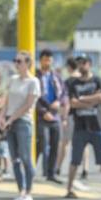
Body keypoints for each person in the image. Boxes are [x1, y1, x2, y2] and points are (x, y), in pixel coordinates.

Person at [65, 56, 101, 200]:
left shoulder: (97, 80)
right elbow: (72, 103)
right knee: (75, 160)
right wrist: (91, 100)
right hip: (80, 127)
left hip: (97, 126)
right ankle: (69, 189)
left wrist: (82, 99)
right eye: (79, 64)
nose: (81, 66)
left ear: (90, 65)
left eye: (83, 63)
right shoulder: (72, 83)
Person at [0, 51, 40, 200]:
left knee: (26, 158)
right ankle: (21, 191)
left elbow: (28, 105)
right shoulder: (14, 79)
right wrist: (2, 117)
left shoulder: (33, 82)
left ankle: (29, 192)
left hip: (23, 122)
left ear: (28, 63)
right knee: (14, 159)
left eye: (20, 61)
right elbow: (8, 100)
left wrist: (10, 119)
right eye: (15, 61)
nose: (17, 64)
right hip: (10, 122)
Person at [35, 49, 69, 184]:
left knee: (55, 144)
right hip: (42, 116)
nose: (47, 63)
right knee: (42, 142)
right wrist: (43, 112)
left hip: (55, 116)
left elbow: (64, 93)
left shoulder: (56, 77)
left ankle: (51, 172)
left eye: (49, 60)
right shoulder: (36, 77)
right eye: (45, 60)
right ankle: (32, 170)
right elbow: (34, 97)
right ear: (40, 61)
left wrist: (58, 102)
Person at [57, 57, 89, 179]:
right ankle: (85, 168)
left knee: (65, 142)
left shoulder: (69, 82)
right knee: (84, 144)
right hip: (84, 113)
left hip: (71, 115)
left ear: (69, 67)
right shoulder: (83, 80)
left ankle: (58, 167)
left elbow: (66, 102)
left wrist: (63, 118)